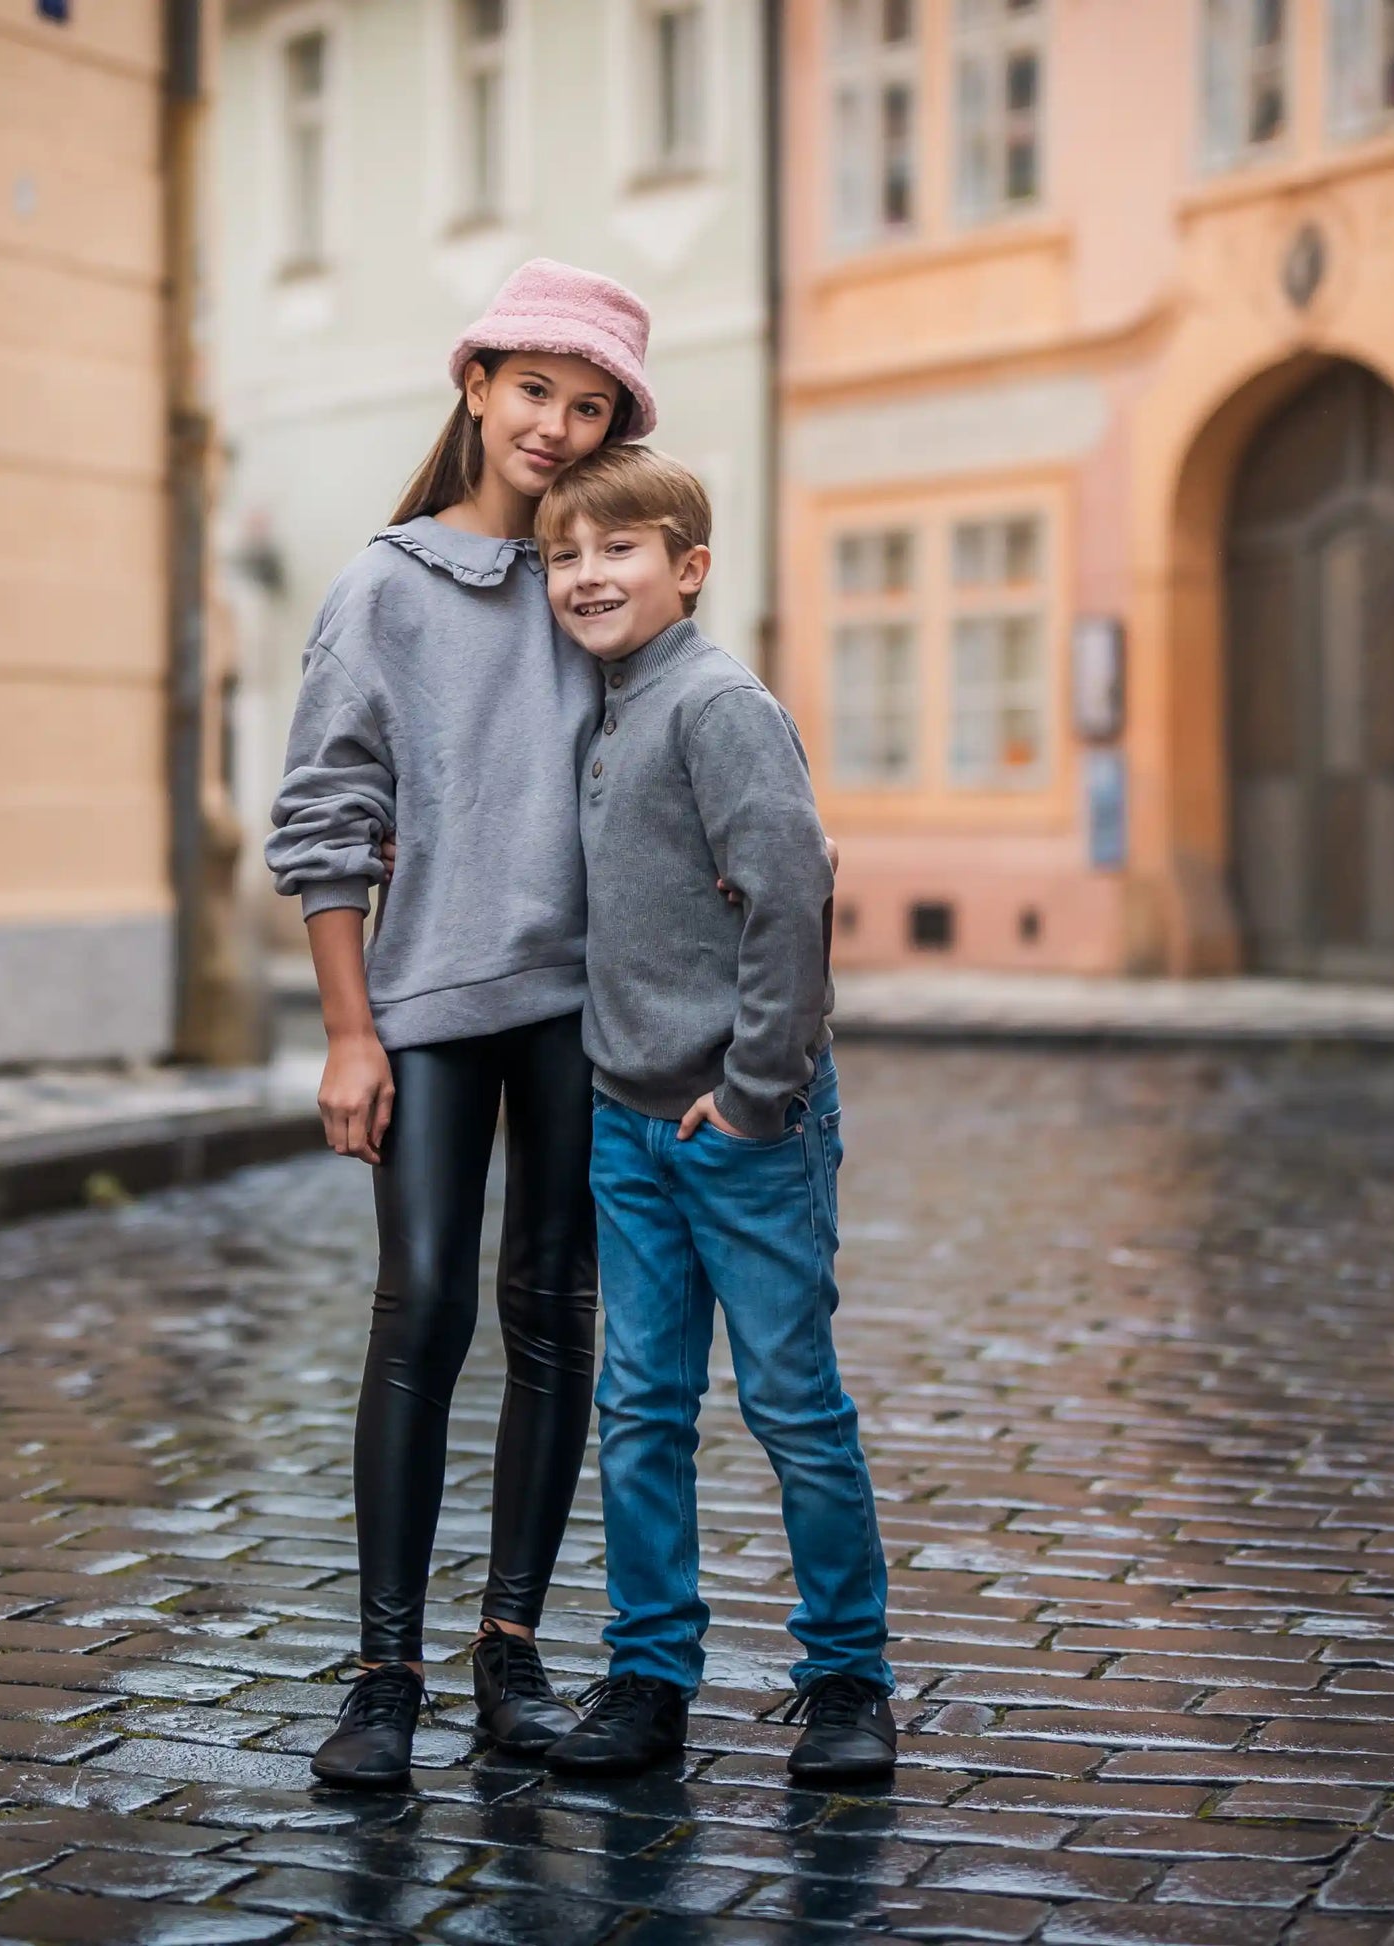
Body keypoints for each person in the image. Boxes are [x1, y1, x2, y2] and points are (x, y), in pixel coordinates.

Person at [263, 260, 657, 1789]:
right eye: (535, 390)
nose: (555, 425)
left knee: (552, 1312)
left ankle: (509, 1650)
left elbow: (671, 751)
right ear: (477, 385)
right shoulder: (384, 586)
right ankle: (383, 1673)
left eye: (590, 406)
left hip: (580, 1010)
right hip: (426, 1001)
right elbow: (324, 815)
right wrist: (348, 1032)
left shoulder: (594, 584)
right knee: (420, 1306)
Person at [531, 444, 898, 1784]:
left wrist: (751, 1096)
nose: (587, 575)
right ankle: (649, 1678)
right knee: (640, 1407)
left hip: (743, 1129)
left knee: (793, 1403)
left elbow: (792, 895)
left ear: (687, 568)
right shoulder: (606, 709)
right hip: (626, 1124)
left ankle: (848, 1678)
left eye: (617, 549)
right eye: (564, 555)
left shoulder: (716, 703)